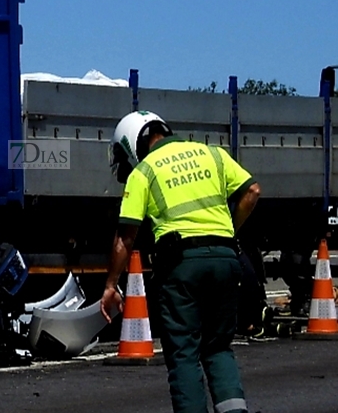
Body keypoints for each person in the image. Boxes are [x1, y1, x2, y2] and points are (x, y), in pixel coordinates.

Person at [101, 111, 261, 413]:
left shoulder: (144, 172)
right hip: (227, 259)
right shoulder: (212, 153)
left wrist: (111, 284)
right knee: (218, 348)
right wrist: (227, 231)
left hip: (181, 265)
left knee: (184, 353)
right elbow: (252, 190)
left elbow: (125, 238)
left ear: (134, 143)